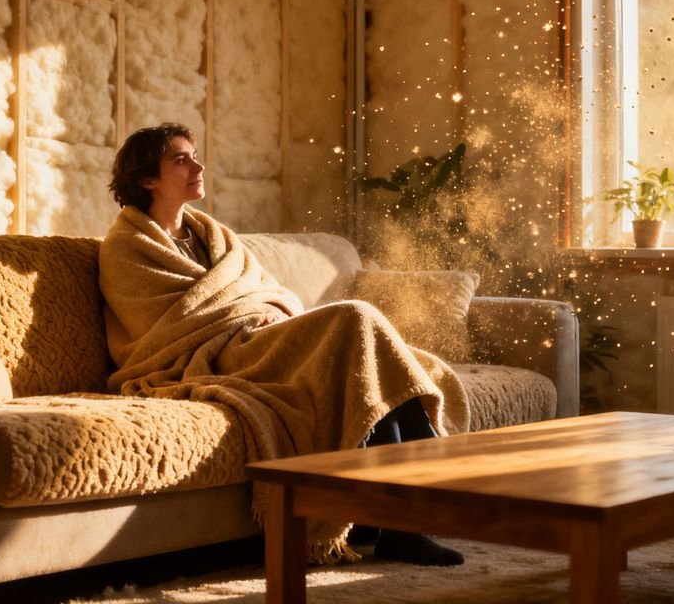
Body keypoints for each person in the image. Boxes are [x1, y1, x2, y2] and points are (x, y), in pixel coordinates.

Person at [99, 123, 468, 566]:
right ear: (147, 179)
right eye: (181, 159)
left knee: (366, 353)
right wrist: (251, 315)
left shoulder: (213, 235)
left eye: (195, 154)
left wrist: (270, 310)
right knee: (355, 317)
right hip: (209, 354)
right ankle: (417, 501)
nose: (198, 166)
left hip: (258, 337)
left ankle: (400, 520)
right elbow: (158, 328)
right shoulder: (126, 246)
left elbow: (275, 292)